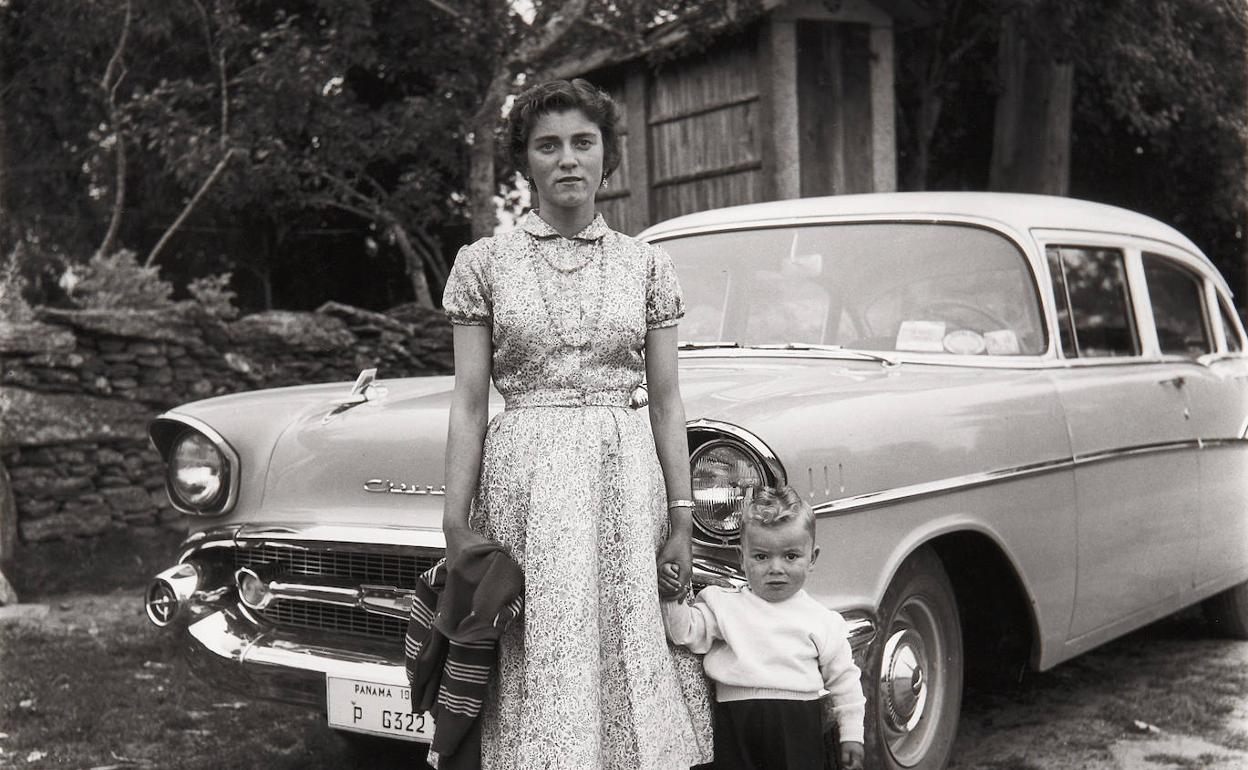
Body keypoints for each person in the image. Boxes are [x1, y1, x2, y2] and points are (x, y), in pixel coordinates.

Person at [439, 78, 713, 770]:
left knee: (625, 642)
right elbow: (470, 402)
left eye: (582, 143)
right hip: (526, 484)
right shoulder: (484, 263)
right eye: (548, 145)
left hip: (625, 480)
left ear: (606, 156)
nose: (567, 159)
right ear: (524, 161)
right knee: (543, 643)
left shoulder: (646, 264)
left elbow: (668, 399)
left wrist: (681, 517)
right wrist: (453, 519)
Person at [660, 486, 866, 770]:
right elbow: (684, 633)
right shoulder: (724, 606)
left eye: (791, 556)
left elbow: (845, 680)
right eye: (761, 557)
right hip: (735, 722)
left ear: (813, 558)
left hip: (796, 724)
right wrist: (673, 596)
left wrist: (852, 735)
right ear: (742, 558)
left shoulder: (822, 620)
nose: (776, 568)